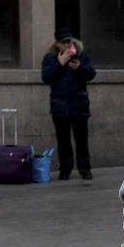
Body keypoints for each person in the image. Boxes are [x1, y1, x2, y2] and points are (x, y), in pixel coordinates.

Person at [41, 27, 96, 182]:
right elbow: (46, 77)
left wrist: (79, 67)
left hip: (79, 104)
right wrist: (60, 64)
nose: (67, 45)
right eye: (63, 42)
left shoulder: (81, 55)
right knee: (63, 140)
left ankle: (85, 169)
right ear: (57, 44)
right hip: (60, 106)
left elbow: (91, 74)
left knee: (81, 140)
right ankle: (65, 169)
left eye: (68, 42)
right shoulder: (50, 58)